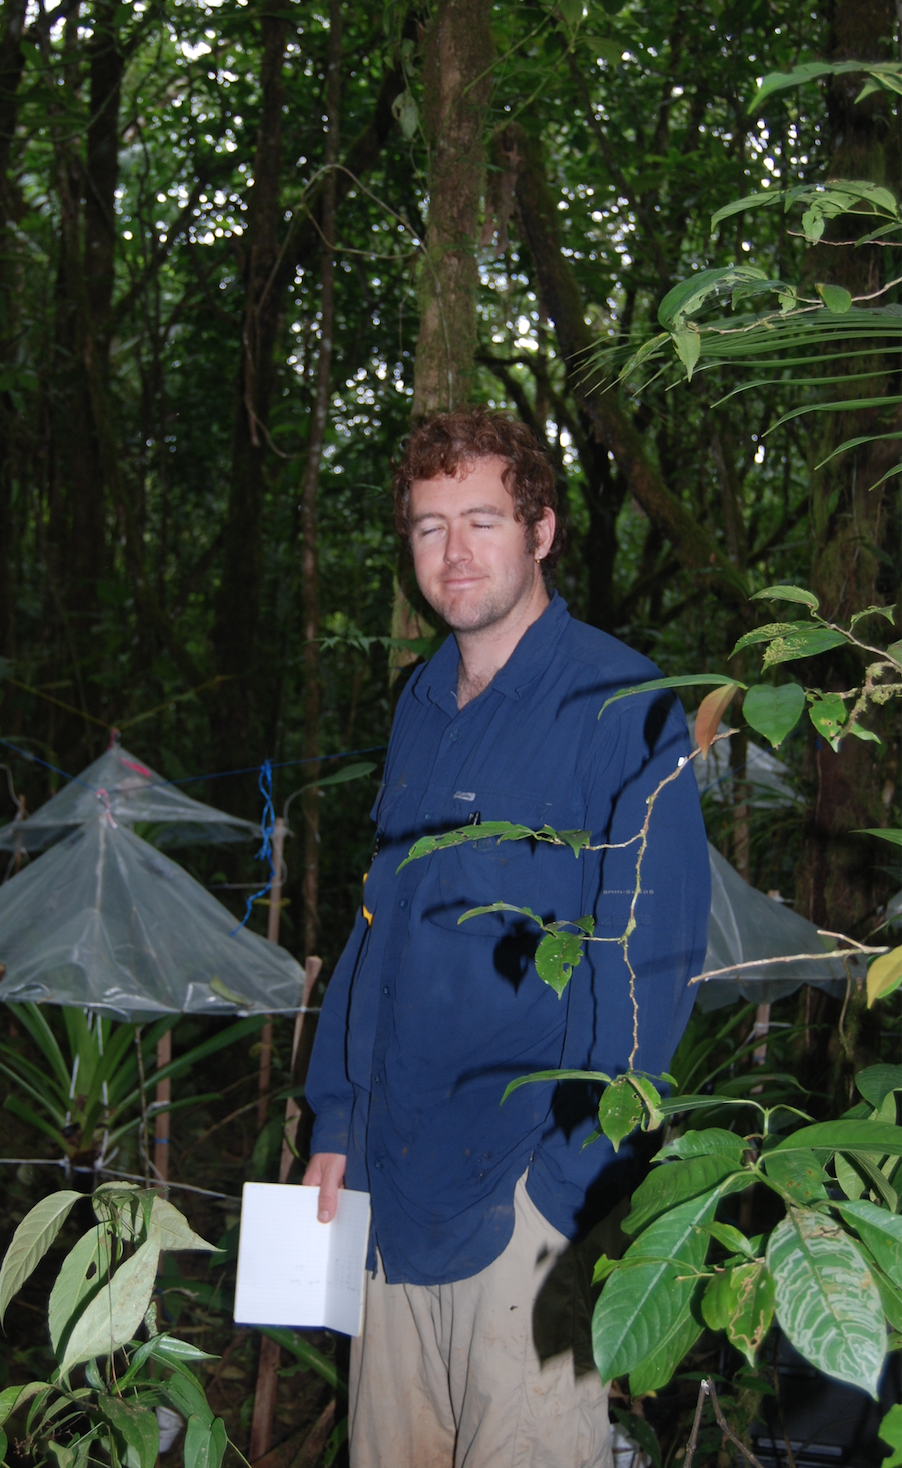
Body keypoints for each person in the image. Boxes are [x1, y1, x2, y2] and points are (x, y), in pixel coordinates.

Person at [303, 408, 710, 1468]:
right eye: (429, 526)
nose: (454, 552)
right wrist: (338, 1119)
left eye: (481, 520)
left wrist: (568, 1189)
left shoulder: (625, 705)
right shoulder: (422, 700)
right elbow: (380, 926)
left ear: (541, 530)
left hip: (525, 1204)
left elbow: (655, 966)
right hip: (392, 1185)